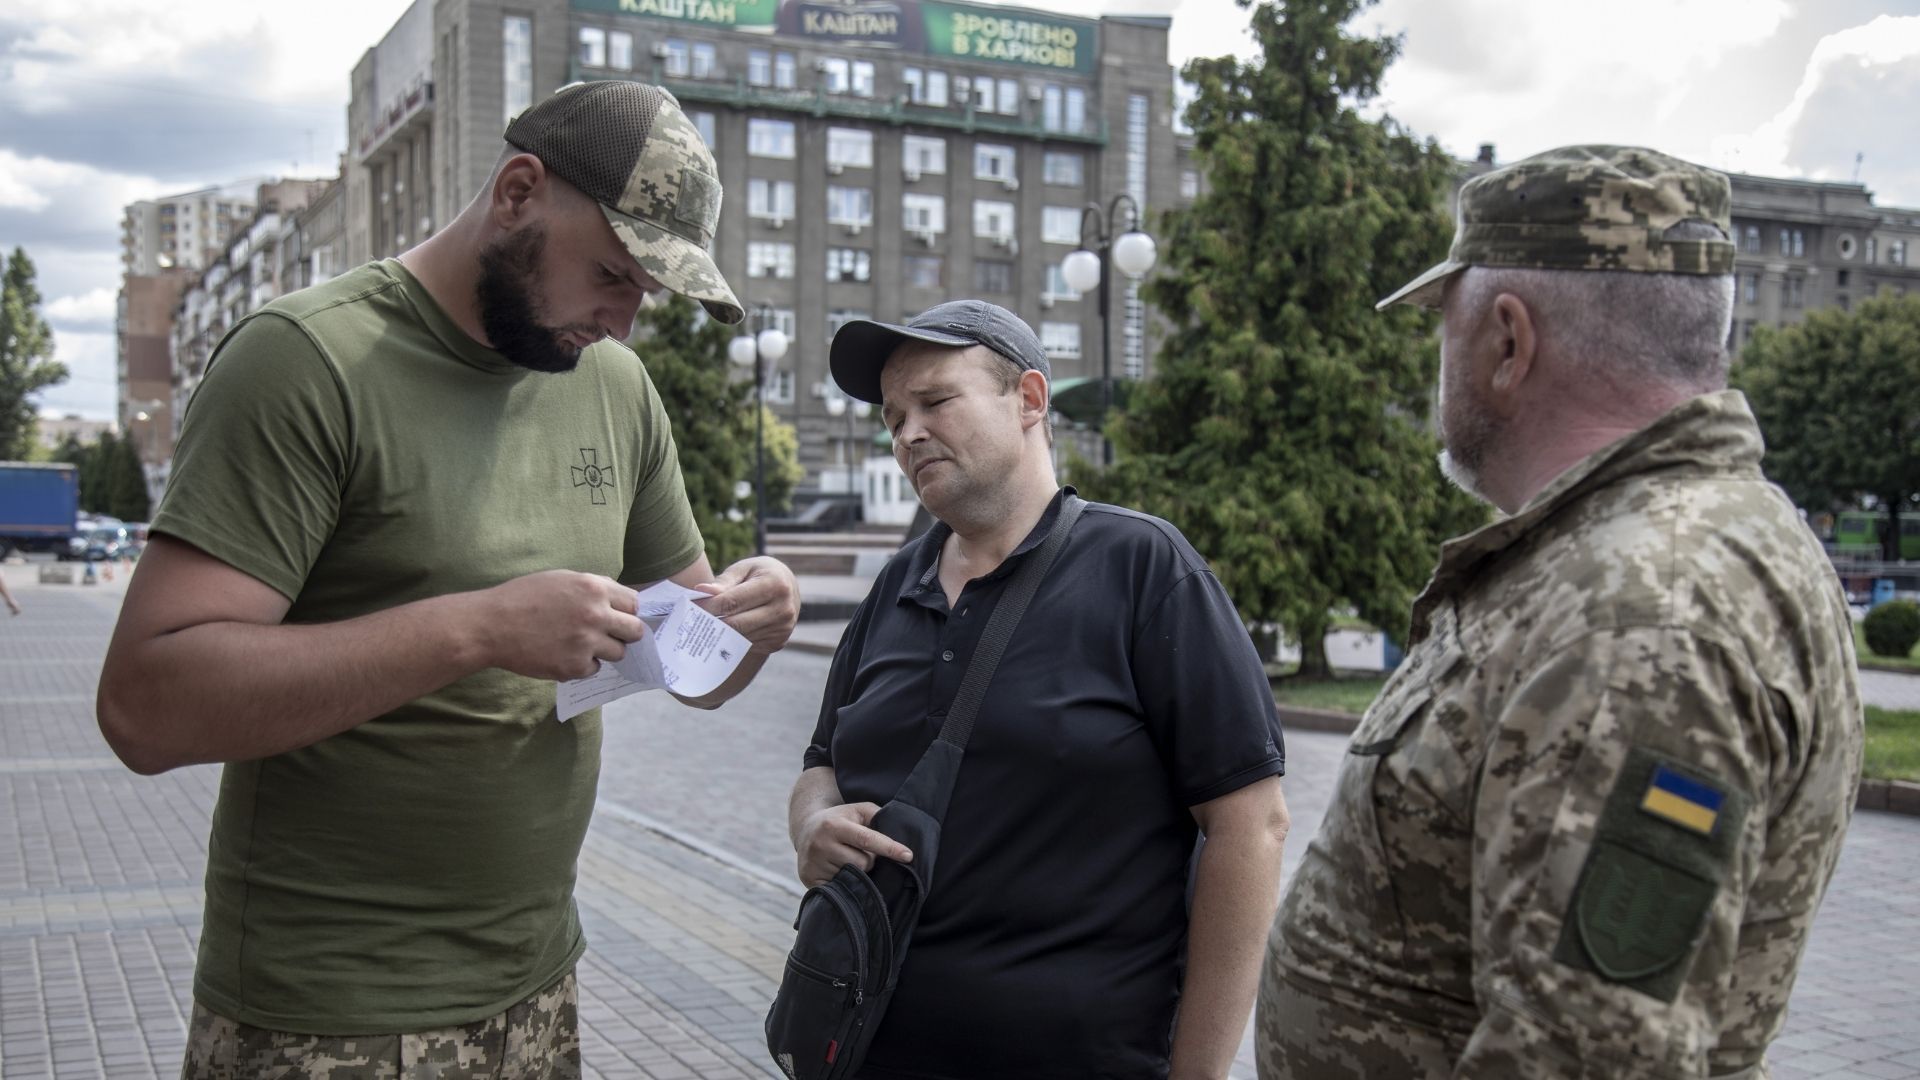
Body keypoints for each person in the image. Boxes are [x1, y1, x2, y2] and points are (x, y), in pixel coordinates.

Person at [96, 81, 800, 1077]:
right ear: (518, 191)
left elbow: (696, 663)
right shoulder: (306, 363)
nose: (624, 320)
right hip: (327, 1013)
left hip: (537, 989)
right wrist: (474, 631)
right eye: (611, 272)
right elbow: (145, 707)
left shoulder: (611, 384)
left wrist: (753, 623)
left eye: (647, 292)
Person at [1258, 146, 1864, 1078]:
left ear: (1508, 340)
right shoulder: (1635, 555)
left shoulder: (1643, 614)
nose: (1439, 364)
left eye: (1444, 329)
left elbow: (1589, 1053)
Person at [793, 300, 1292, 1079]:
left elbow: (1251, 827)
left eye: (935, 401)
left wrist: (1197, 1073)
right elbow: (820, 759)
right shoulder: (897, 584)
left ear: (1028, 400)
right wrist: (814, 823)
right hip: (870, 1049)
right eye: (893, 418)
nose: (907, 433)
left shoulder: (1143, 568)